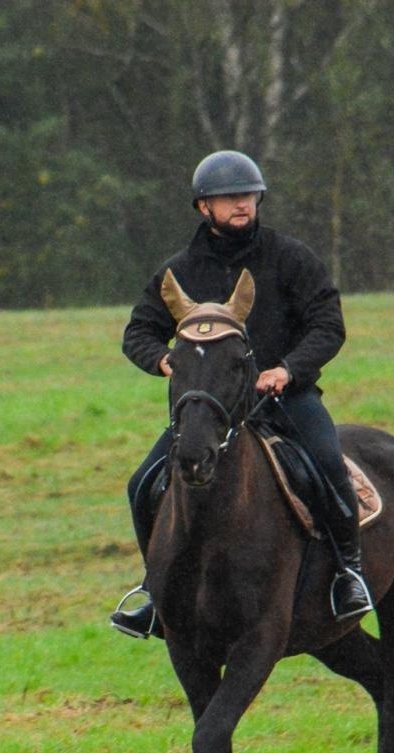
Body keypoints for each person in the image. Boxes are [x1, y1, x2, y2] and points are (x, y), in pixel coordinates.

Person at [109, 149, 373, 638]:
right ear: (203, 207)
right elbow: (139, 332)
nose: (242, 205)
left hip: (283, 401)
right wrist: (162, 360)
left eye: (248, 195)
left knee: (327, 465)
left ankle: (348, 575)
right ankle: (155, 590)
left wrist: (288, 370)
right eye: (228, 198)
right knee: (141, 484)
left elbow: (327, 324)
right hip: (211, 411)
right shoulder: (177, 273)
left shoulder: (291, 258)